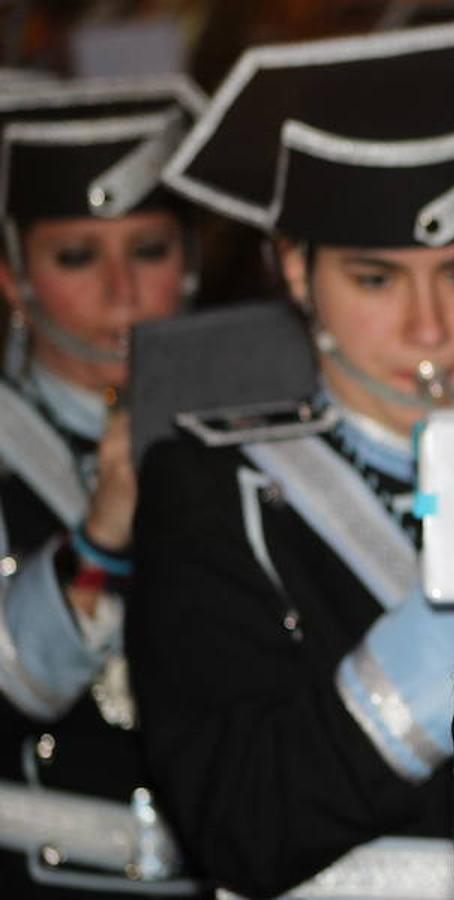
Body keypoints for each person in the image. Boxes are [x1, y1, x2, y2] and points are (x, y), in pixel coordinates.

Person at [125, 23, 454, 898]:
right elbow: (240, 826)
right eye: (376, 280)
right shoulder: (216, 488)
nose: (428, 329)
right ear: (295, 271)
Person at [0, 75, 205, 896]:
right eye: (77, 257)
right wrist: (101, 535)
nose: (122, 293)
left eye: (148, 250)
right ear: (14, 278)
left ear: (188, 265)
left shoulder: (258, 430)